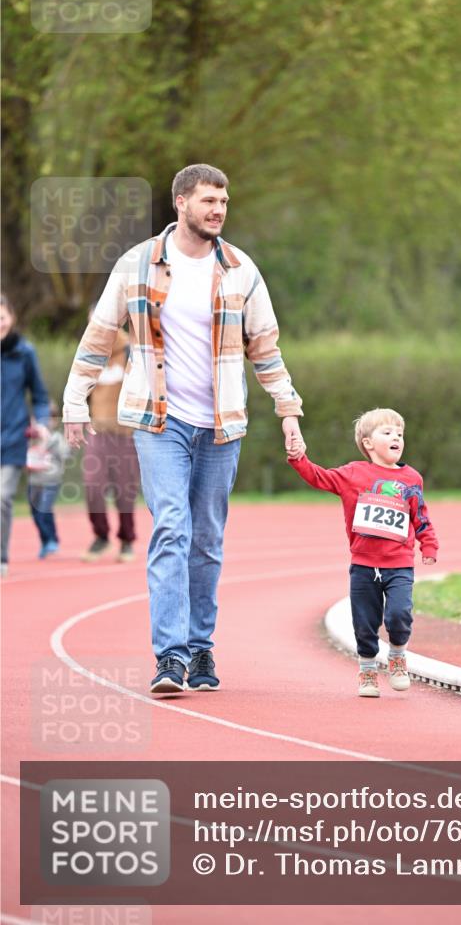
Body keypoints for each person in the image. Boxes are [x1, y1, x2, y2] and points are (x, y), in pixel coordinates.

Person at [63, 163, 304, 693]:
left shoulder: (242, 270)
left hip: (221, 427)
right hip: (158, 420)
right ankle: (169, 657)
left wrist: (288, 410)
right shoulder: (136, 265)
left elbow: (265, 349)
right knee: (172, 528)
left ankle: (200, 649)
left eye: (224, 202)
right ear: (180, 203)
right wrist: (74, 400)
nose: (218, 210)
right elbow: (100, 335)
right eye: (208, 201)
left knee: (208, 540)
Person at [288, 408, 439, 697]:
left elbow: (420, 515)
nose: (396, 436)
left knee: (399, 614)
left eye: (400, 433)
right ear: (368, 443)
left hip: (399, 564)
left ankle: (397, 655)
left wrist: (428, 543)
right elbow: (318, 477)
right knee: (364, 621)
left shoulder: (411, 478)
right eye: (387, 432)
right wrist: (298, 458)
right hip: (364, 565)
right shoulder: (353, 474)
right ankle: (368, 669)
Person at [80, 307, 140, 564]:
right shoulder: (89, 353)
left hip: (126, 433)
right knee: (93, 486)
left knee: (124, 491)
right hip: (98, 431)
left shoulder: (131, 350)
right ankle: (101, 536)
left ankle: (126, 540)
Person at [1, 294, 51, 577]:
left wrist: (42, 421)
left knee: (2, 497)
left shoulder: (24, 352)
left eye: (2, 317)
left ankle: (1, 558)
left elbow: (41, 396)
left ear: (11, 318)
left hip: (12, 438)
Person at [26, 400, 72, 559]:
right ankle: (47, 540)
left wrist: (50, 443)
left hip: (51, 481)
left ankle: (52, 541)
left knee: (43, 510)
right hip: (34, 481)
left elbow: (66, 454)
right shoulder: (31, 436)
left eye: (50, 418)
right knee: (35, 513)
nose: (46, 421)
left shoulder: (57, 438)